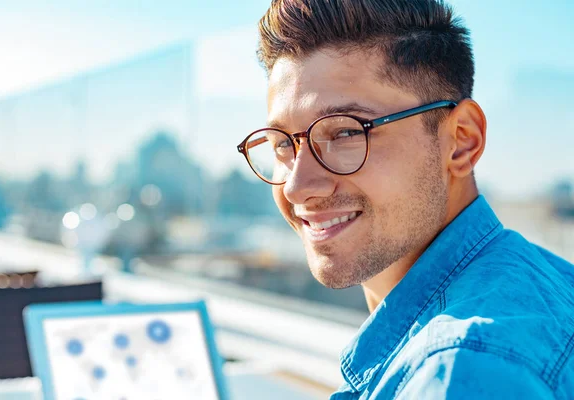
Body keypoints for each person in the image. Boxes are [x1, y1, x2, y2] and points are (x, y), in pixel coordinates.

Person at [236, 0, 574, 398]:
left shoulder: (462, 369)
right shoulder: (542, 282)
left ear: (462, 141)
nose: (296, 187)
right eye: (282, 144)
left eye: (346, 133)